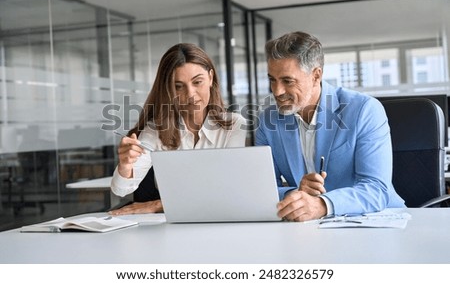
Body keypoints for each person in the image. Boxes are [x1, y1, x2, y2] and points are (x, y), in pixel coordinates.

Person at [256, 31, 405, 222]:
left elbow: (376, 189)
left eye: (287, 81)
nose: (277, 91)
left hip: (373, 222)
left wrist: (323, 204)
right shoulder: (268, 121)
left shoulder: (364, 110)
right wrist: (297, 195)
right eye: (272, 80)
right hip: (306, 229)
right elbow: (263, 191)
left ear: (316, 75)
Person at [109, 43, 247, 215]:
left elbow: (228, 191)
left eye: (197, 82)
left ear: (211, 78)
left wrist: (158, 205)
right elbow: (121, 190)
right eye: (178, 86)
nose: (190, 94)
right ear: (168, 89)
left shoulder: (233, 125)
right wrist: (125, 165)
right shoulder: (156, 129)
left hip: (218, 219)